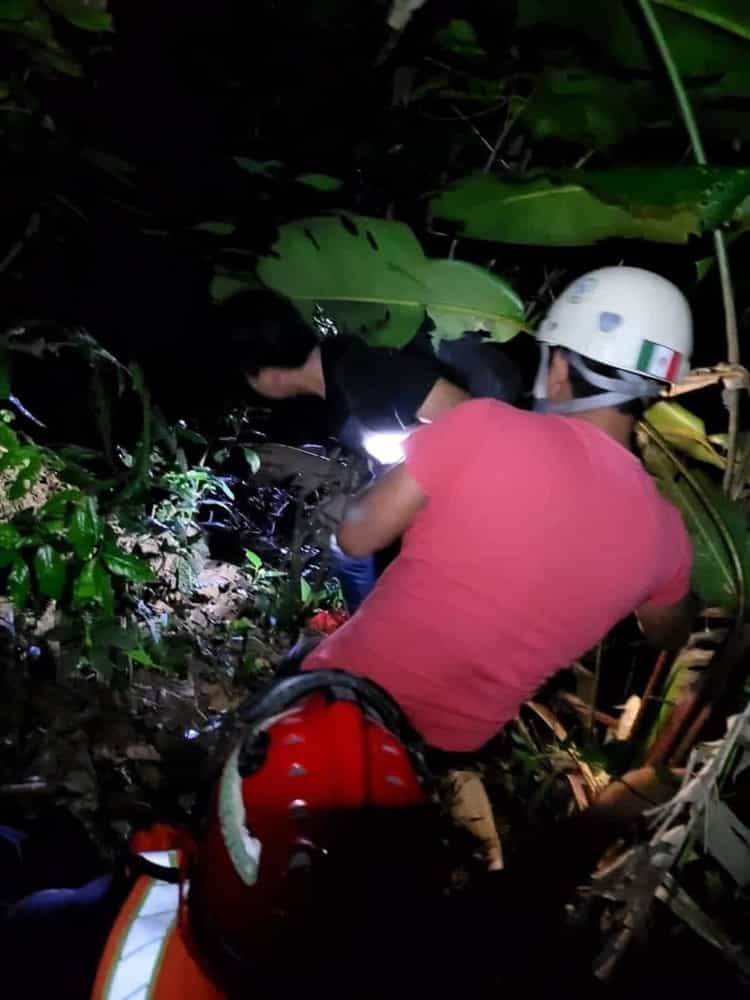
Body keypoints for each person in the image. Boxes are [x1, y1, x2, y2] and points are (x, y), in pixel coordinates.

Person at [301, 266, 697, 758]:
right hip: (444, 753)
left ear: (557, 367)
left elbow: (357, 538)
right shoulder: (667, 536)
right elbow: (668, 632)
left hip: (339, 702)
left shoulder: (483, 426)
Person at [221, 289, 535, 610]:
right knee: (351, 547)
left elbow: (476, 426)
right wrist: (316, 467)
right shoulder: (339, 378)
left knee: (357, 546)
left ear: (268, 376)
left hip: (492, 517)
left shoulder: (366, 373)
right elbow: (399, 449)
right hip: (453, 510)